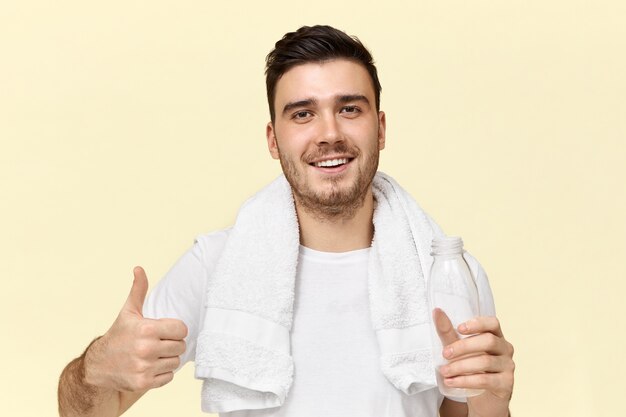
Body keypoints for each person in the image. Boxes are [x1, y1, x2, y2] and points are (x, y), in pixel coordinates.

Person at [58, 25, 514, 417]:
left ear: (381, 127)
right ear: (274, 140)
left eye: (349, 109)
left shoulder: (447, 273)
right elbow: (83, 408)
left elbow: (468, 411)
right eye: (303, 114)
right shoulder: (218, 265)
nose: (329, 133)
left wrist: (493, 399)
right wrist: (96, 367)